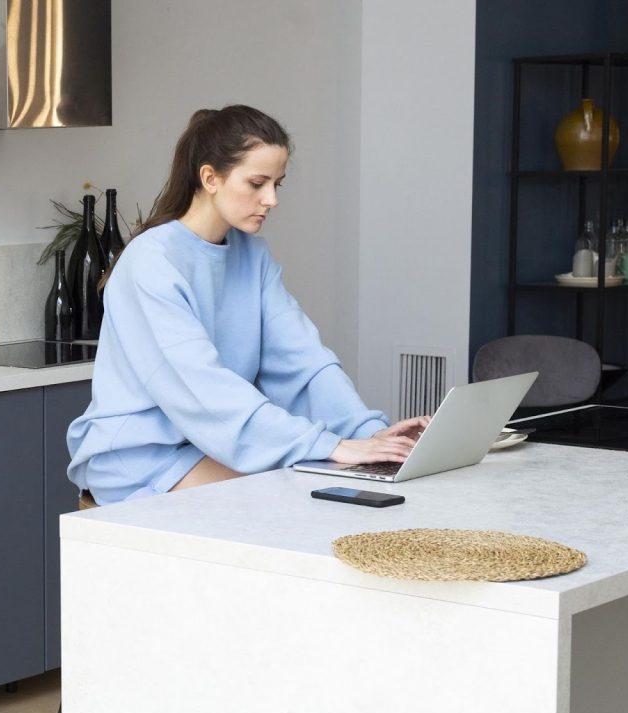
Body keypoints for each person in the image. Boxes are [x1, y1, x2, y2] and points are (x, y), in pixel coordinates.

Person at [67, 104, 428, 504]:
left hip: (211, 443)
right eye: (257, 183)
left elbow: (303, 361)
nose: (270, 199)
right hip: (139, 455)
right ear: (210, 178)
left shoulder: (251, 256)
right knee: (294, 494)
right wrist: (329, 445)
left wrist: (366, 432)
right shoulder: (151, 261)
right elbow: (203, 390)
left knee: (325, 482)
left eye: (277, 184)